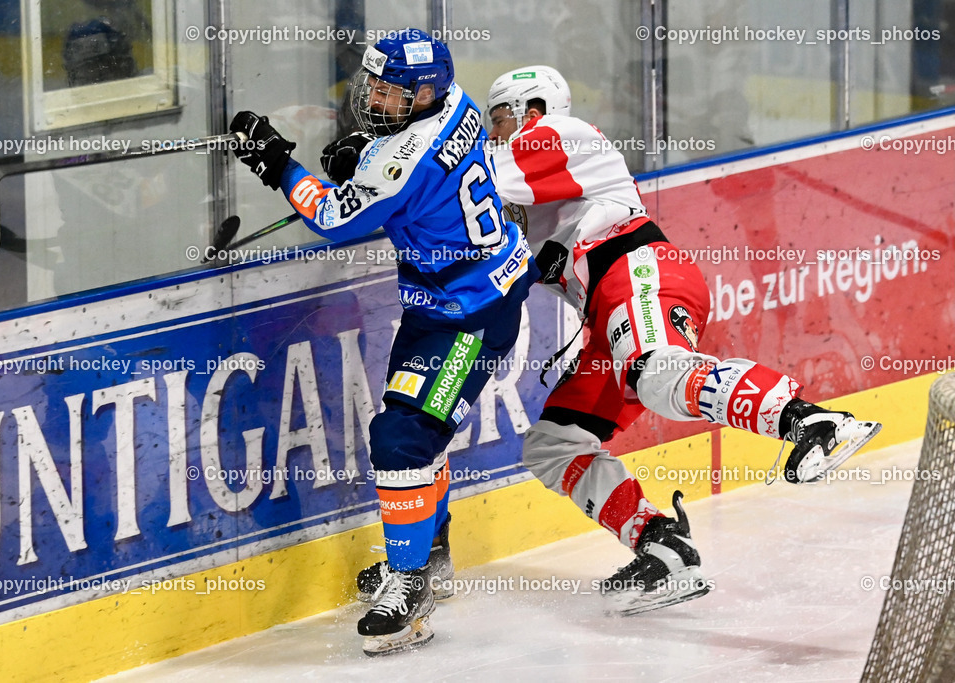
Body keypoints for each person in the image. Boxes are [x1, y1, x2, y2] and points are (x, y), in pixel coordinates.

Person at [483, 65, 882, 615]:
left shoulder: (554, 134)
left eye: (499, 117)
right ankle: (662, 545)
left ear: (531, 109)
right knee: (554, 444)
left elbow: (467, 181)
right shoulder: (534, 184)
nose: (493, 130)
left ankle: (813, 422)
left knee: (657, 373)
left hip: (635, 269)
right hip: (607, 304)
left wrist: (393, 166)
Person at [229, 29, 536, 655]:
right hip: (460, 297)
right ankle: (433, 553)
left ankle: (411, 582)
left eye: (388, 91)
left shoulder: (407, 161)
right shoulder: (458, 105)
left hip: (469, 314)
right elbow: (392, 166)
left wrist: (276, 162)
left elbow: (333, 219)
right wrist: (366, 153)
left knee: (401, 438)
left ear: (424, 93)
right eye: (372, 84)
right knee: (418, 432)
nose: (373, 97)